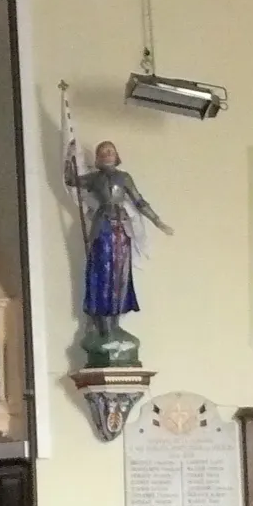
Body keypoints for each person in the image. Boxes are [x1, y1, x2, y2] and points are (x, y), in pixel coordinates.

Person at [66, 138, 171, 350]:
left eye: (110, 151)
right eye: (102, 152)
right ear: (97, 158)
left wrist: (157, 220)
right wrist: (69, 156)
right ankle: (103, 326)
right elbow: (71, 180)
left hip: (121, 228)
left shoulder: (124, 178)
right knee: (102, 274)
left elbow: (139, 201)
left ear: (116, 155)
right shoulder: (94, 178)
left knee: (120, 275)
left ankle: (115, 324)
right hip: (102, 228)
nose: (106, 154)